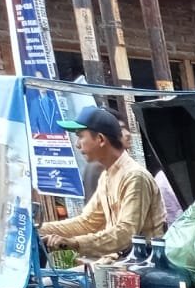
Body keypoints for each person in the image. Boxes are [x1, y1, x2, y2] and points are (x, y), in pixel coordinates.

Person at [39, 106, 165, 260]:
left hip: (146, 265)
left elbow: (125, 233)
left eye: (80, 136)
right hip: (121, 263)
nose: (78, 145)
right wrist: (39, 229)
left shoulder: (135, 176)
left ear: (100, 139)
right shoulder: (107, 175)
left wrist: (74, 243)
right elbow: (88, 222)